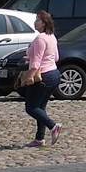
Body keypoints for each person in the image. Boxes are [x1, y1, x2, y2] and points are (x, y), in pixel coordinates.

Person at [19, 10, 62, 147]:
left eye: (37, 20)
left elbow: (37, 61)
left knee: (31, 108)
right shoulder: (51, 37)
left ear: (44, 23)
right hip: (54, 73)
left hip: (43, 76)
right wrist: (31, 57)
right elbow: (55, 57)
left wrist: (30, 76)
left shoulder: (40, 38)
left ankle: (53, 126)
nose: (35, 22)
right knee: (40, 108)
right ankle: (39, 139)